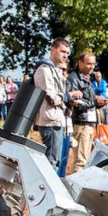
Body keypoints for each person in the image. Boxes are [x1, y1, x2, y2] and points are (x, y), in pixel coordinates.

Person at [33, 37, 70, 169]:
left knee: (55, 160)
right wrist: (68, 96)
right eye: (62, 51)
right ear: (53, 49)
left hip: (56, 119)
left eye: (67, 53)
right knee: (52, 161)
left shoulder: (54, 70)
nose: (65, 55)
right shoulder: (44, 69)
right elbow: (50, 96)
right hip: (50, 120)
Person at [65, 51, 103, 172]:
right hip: (81, 123)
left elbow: (87, 100)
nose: (91, 67)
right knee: (81, 161)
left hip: (89, 122)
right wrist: (95, 102)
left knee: (85, 160)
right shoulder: (74, 79)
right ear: (80, 63)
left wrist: (98, 103)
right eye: (88, 64)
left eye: (93, 64)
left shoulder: (87, 79)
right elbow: (74, 103)